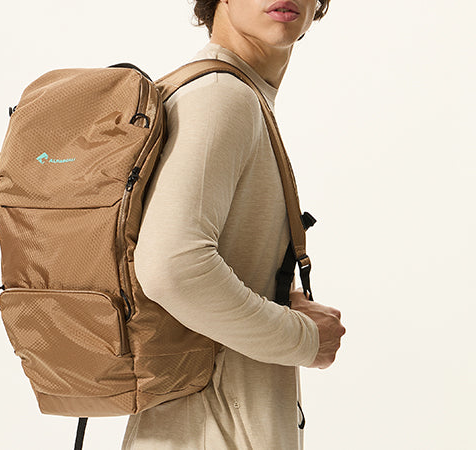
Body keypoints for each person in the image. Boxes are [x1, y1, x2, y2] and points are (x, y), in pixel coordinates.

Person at [122, 1, 346, 448]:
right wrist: (305, 339)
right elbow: (171, 268)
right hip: (211, 430)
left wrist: (269, 293)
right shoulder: (222, 96)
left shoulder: (212, 90)